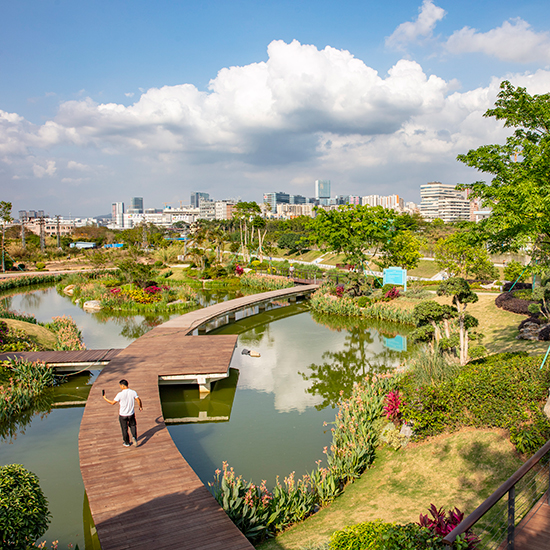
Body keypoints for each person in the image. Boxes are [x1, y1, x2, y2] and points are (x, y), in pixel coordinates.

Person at [103, 379, 143, 447]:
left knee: (124, 429)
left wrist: (105, 398)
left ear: (123, 386)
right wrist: (140, 407)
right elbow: (138, 399)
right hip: (131, 414)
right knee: (133, 426)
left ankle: (127, 443)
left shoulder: (120, 394)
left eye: (120, 386)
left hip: (123, 415)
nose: (120, 387)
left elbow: (112, 403)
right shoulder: (133, 392)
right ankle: (134, 437)